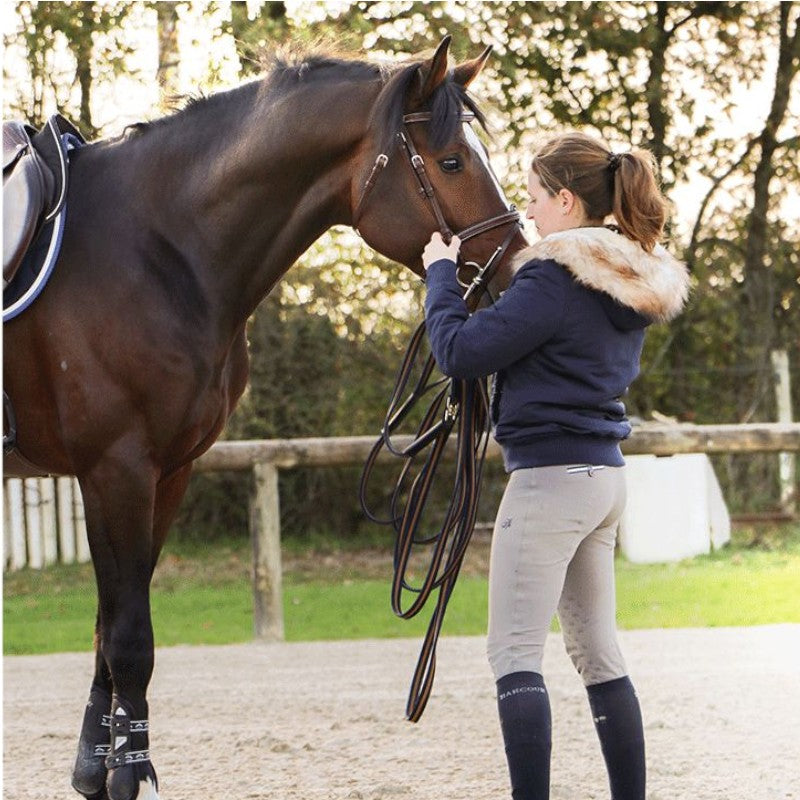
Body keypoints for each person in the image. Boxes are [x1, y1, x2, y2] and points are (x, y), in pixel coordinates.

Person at [421, 131, 690, 800]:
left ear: (566, 200)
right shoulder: (626, 281)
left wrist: (438, 276)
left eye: (536, 197)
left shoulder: (552, 274)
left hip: (548, 483)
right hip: (603, 481)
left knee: (513, 657)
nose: (528, 213)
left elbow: (457, 352)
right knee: (599, 655)